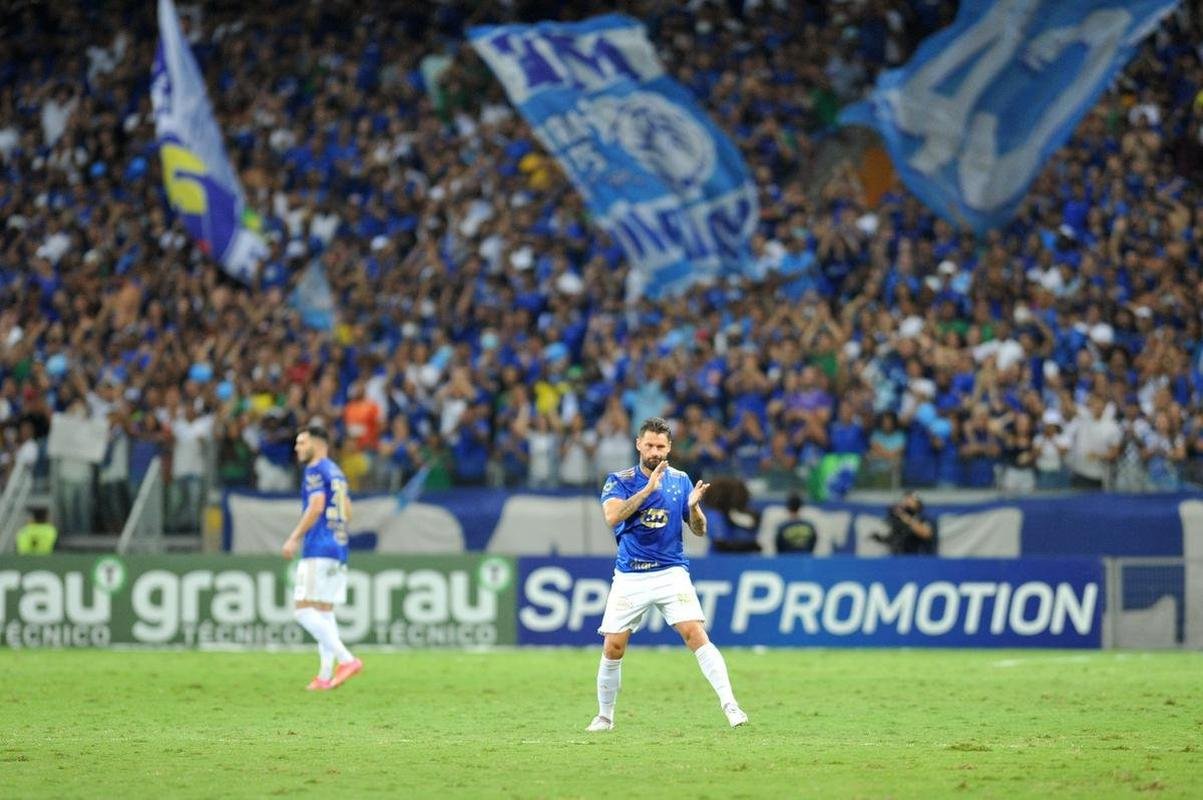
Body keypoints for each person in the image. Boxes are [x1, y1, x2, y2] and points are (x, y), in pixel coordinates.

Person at [587, 416, 748, 732]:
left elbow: (699, 531)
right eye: (649, 445)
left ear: (669, 447)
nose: (654, 452)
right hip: (631, 574)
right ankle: (604, 716)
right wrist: (648, 490)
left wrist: (696, 509)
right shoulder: (618, 481)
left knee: (695, 634)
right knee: (613, 647)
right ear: (638, 444)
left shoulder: (681, 480)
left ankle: (731, 705)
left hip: (670, 572)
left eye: (660, 446)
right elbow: (612, 517)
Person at [281, 424, 363, 692]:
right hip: (339, 546)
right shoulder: (337, 473)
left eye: (301, 443)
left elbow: (316, 506)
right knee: (324, 612)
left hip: (319, 547)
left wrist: (294, 536)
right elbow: (348, 512)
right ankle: (325, 676)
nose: (297, 448)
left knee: (303, 610)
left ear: (316, 444)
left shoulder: (315, 470)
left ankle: (347, 660)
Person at [873, 492, 937, 555]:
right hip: (897, 556)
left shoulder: (923, 517)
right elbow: (890, 536)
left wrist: (906, 518)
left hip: (917, 557)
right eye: (906, 500)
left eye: (911, 500)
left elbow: (926, 534)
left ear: (918, 503)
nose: (907, 502)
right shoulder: (896, 518)